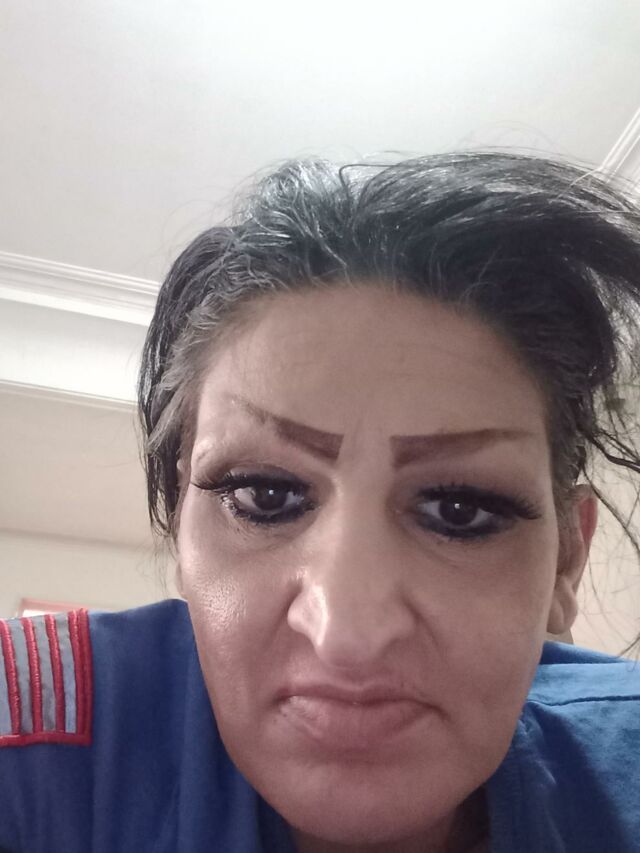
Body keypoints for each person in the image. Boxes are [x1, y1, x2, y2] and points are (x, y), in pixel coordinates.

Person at [1, 151, 640, 853]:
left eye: (460, 510)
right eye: (265, 495)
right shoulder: (34, 734)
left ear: (566, 562)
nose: (347, 636)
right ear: (181, 526)